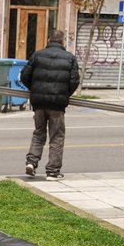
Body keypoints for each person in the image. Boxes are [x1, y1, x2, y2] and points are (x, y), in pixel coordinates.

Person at [20, 29, 80, 181]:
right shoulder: (70, 58)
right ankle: (53, 171)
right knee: (57, 136)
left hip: (39, 103)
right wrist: (64, 94)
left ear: (48, 40)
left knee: (39, 133)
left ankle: (31, 162)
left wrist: (34, 90)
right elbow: (74, 81)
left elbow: (24, 75)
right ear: (62, 42)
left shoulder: (37, 55)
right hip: (57, 105)